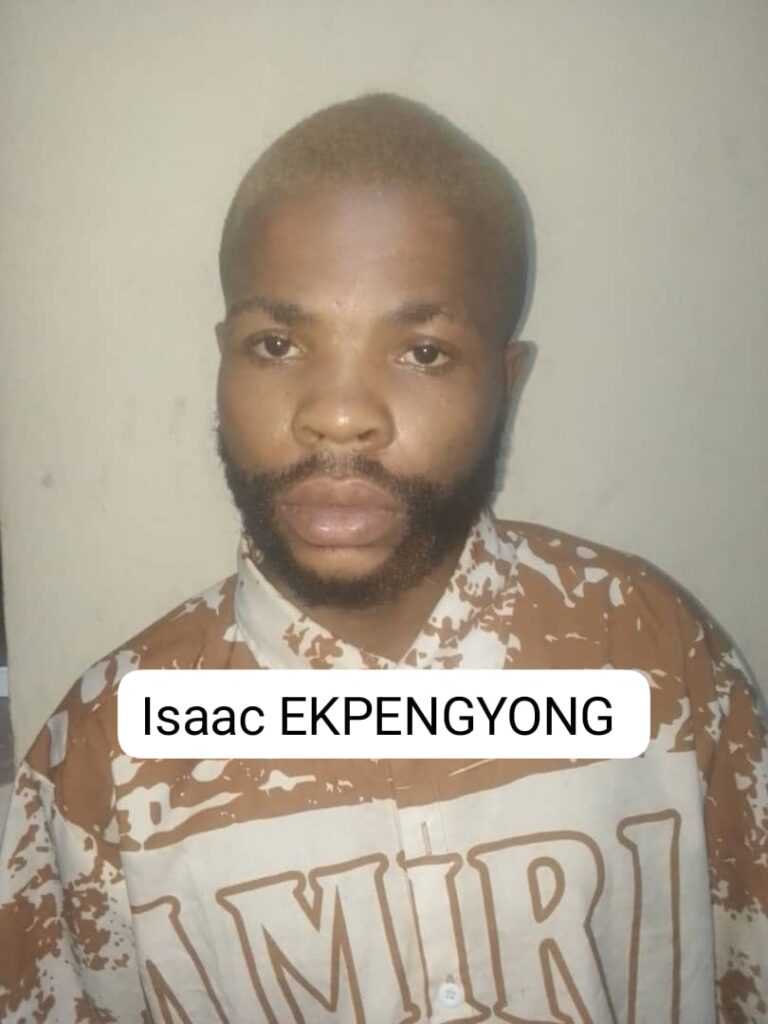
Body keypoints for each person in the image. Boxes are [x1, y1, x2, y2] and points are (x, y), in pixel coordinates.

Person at [0, 93, 766, 1024]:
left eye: (424, 352)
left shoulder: (659, 658)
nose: (338, 414)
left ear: (506, 383)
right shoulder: (102, 758)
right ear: (223, 359)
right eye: (277, 344)